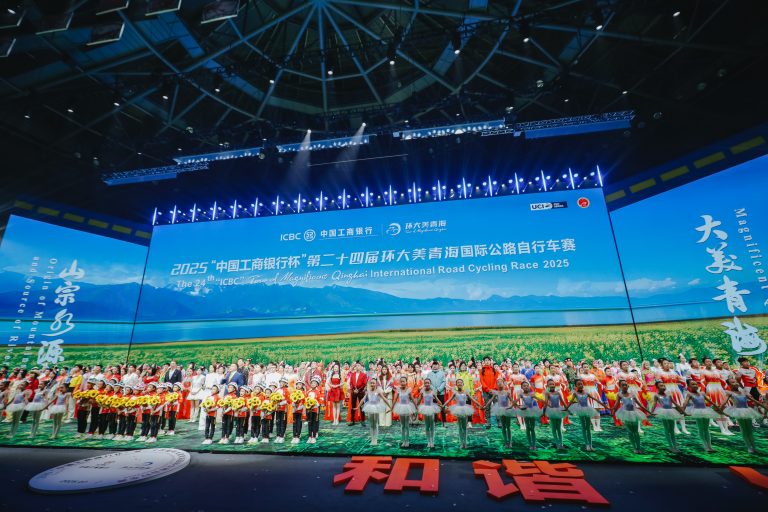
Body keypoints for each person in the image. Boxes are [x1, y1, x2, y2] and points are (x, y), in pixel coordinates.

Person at [723, 378, 768, 454]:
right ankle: (749, 448)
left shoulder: (743, 392)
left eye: (736, 381)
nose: (736, 383)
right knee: (744, 430)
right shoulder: (730, 393)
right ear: (729, 385)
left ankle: (753, 447)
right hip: (738, 411)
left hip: (747, 411)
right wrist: (720, 408)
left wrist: (763, 408)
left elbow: (754, 401)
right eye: (733, 382)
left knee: (749, 430)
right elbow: (724, 402)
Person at [566, 378, 608, 452]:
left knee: (588, 428)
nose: (580, 385)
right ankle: (587, 445)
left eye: (581, 384)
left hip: (588, 409)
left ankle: (590, 445)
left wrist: (604, 405)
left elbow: (595, 399)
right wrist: (566, 409)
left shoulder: (586, 392)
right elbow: (571, 402)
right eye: (578, 384)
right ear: (576, 385)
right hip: (580, 410)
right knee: (583, 427)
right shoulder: (575, 393)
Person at [612, 380, 652, 454]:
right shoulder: (619, 394)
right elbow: (616, 404)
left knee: (636, 431)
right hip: (626, 413)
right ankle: (634, 447)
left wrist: (649, 412)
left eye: (625, 385)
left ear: (628, 386)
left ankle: (638, 447)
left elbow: (639, 404)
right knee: (630, 431)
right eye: (622, 385)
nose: (624, 386)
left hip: (634, 413)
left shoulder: (632, 394)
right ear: (620, 387)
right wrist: (613, 412)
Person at [682, 379, 720, 453]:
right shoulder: (689, 394)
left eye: (696, 384)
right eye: (693, 384)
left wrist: (718, 408)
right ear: (689, 386)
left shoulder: (702, 393)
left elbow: (710, 402)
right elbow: (685, 403)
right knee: (701, 429)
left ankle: (710, 446)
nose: (695, 385)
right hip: (697, 411)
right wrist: (683, 411)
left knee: (706, 429)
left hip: (705, 411)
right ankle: (706, 446)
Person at [649, 381, 686, 453]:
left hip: (671, 411)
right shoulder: (656, 395)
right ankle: (671, 446)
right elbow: (654, 404)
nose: (663, 387)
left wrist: (683, 411)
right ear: (657, 388)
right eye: (661, 386)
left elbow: (675, 403)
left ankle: (675, 446)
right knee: (667, 429)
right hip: (663, 412)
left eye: (664, 385)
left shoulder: (668, 394)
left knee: (672, 430)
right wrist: (651, 412)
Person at [444, 378, 480, 449]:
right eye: (458, 382)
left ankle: (465, 443)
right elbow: (449, 400)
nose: (460, 383)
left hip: (465, 409)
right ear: (456, 384)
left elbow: (472, 399)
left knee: (465, 427)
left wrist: (479, 404)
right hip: (458, 409)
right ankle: (461, 443)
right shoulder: (455, 392)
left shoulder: (466, 392)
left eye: (461, 382)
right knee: (460, 427)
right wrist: (443, 405)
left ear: (463, 384)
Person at [358, 380, 391, 446]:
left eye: (374, 383)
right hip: (369, 407)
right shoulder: (368, 391)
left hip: (376, 407)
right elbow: (363, 399)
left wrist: (390, 407)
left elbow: (384, 399)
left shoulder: (378, 391)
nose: (372, 384)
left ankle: (375, 439)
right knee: (371, 424)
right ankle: (372, 438)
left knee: (375, 423)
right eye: (371, 383)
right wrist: (358, 407)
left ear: (376, 384)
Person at [515, 380, 541, 450]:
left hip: (532, 411)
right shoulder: (521, 394)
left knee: (532, 428)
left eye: (527, 386)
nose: (526, 387)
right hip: (525, 411)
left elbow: (539, 399)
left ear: (529, 386)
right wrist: (519, 407)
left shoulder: (532, 394)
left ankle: (534, 444)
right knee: (528, 428)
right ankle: (530, 444)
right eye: (524, 386)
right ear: (522, 387)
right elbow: (514, 402)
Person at [490, 378, 515, 448]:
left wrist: (512, 406)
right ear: (497, 384)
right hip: (500, 409)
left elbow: (512, 401)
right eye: (498, 382)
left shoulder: (507, 392)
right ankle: (505, 441)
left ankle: (510, 442)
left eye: (501, 382)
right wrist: (485, 406)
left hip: (507, 409)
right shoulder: (496, 393)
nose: (500, 383)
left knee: (508, 426)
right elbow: (490, 400)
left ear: (504, 383)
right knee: (503, 426)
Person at [543, 379, 568, 450]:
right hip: (552, 412)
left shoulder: (558, 393)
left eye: (553, 384)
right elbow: (546, 403)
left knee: (559, 428)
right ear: (547, 386)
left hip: (558, 410)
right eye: (550, 384)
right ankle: (557, 444)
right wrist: (544, 413)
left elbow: (563, 402)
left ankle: (561, 444)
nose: (552, 385)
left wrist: (567, 410)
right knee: (554, 428)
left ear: (555, 385)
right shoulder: (547, 393)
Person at [417, 378, 442, 449]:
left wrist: (441, 404)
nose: (427, 384)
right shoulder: (422, 392)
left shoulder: (432, 392)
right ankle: (428, 441)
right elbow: (418, 402)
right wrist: (415, 406)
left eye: (428, 383)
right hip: (425, 409)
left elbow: (439, 402)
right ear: (424, 384)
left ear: (430, 384)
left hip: (431, 408)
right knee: (427, 426)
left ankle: (432, 441)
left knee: (432, 425)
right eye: (425, 383)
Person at [393, 376, 416, 448]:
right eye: (401, 381)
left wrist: (416, 407)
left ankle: (407, 440)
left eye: (403, 381)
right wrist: (391, 407)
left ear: (406, 382)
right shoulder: (398, 390)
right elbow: (395, 399)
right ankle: (403, 440)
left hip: (407, 407)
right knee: (402, 425)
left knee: (407, 425)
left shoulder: (409, 389)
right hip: (400, 407)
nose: (402, 383)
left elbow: (412, 398)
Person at [479, 357, 499, 429]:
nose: (487, 362)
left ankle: (499, 421)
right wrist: (487, 389)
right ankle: (488, 422)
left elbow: (496, 380)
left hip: (494, 391)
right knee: (487, 406)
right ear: (484, 362)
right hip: (486, 391)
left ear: (490, 361)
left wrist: (493, 389)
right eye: (485, 360)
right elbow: (481, 381)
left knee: (497, 405)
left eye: (488, 360)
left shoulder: (494, 370)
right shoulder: (481, 370)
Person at [427, 361, 446, 425]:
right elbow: (428, 382)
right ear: (432, 366)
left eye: (436, 365)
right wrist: (434, 390)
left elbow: (444, 382)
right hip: (432, 393)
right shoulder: (429, 374)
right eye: (433, 365)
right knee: (434, 407)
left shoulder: (442, 373)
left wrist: (439, 389)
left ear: (438, 366)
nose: (435, 366)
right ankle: (434, 421)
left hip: (441, 393)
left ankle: (443, 421)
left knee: (442, 406)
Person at [305, 377, 323, 444]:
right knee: (310, 423)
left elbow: (320, 400)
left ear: (317, 384)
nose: (313, 384)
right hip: (309, 410)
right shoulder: (308, 391)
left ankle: (314, 437)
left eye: (314, 383)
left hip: (315, 410)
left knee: (314, 423)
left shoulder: (318, 392)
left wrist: (317, 404)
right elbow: (306, 400)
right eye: (312, 383)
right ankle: (310, 436)